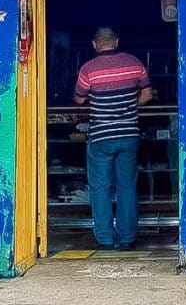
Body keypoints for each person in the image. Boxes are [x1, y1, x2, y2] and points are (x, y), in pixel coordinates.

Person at [74, 27, 153, 250]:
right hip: (128, 134)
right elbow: (147, 94)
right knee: (127, 186)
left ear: (95, 45)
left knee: (100, 187)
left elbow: (79, 100)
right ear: (116, 41)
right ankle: (127, 238)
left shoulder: (88, 69)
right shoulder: (134, 63)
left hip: (101, 137)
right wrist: (129, 106)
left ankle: (106, 239)